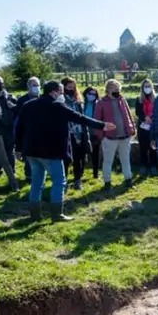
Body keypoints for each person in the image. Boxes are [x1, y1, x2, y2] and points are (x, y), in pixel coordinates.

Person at [15, 80, 115, 222]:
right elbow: (79, 118)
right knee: (59, 181)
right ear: (53, 92)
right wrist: (102, 125)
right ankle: (57, 214)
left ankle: (35, 214)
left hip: (31, 151)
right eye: (61, 92)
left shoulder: (27, 105)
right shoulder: (58, 106)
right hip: (51, 152)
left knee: (37, 182)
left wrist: (19, 149)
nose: (62, 95)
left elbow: (19, 128)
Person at [94, 79, 135, 192]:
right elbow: (97, 121)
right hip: (109, 137)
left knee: (125, 159)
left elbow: (129, 115)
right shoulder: (101, 103)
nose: (117, 91)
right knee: (108, 161)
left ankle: (128, 179)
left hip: (125, 136)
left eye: (118, 89)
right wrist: (102, 136)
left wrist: (132, 128)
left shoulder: (122, 100)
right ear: (108, 90)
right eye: (114, 89)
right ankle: (107, 182)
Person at [59, 78, 90, 190]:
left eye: (73, 87)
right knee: (66, 159)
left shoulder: (77, 100)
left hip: (79, 132)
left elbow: (81, 117)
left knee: (78, 158)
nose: (71, 89)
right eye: (69, 87)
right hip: (67, 133)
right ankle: (64, 182)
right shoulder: (61, 101)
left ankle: (78, 180)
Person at [0, 75, 18, 177]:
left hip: (9, 127)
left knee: (10, 151)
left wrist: (13, 106)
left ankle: (12, 172)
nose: (0, 85)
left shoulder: (9, 96)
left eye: (1, 83)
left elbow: (17, 110)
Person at [14, 76, 41, 182]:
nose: (36, 87)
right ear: (28, 87)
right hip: (27, 132)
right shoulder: (22, 100)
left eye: (37, 85)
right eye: (34, 85)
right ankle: (29, 176)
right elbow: (18, 118)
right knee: (29, 155)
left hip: (41, 132)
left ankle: (39, 175)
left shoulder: (42, 98)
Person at [134, 79, 158, 176]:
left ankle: (153, 166)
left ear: (152, 87)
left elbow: (157, 111)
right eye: (145, 86)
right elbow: (138, 112)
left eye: (149, 86)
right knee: (143, 147)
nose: (147, 88)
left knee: (153, 146)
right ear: (142, 88)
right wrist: (145, 118)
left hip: (153, 125)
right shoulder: (139, 99)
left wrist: (151, 118)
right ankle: (143, 165)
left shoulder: (156, 99)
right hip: (142, 126)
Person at [82, 86, 101, 179]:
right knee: (81, 153)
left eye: (94, 94)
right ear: (86, 94)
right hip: (83, 131)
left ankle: (95, 173)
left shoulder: (98, 104)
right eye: (90, 94)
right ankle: (80, 173)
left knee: (95, 153)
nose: (92, 96)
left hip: (94, 131)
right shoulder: (81, 104)